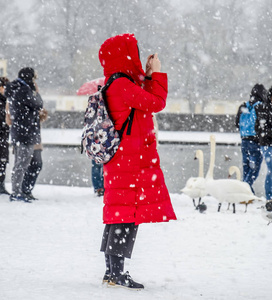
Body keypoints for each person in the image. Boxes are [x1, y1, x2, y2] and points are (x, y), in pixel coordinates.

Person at [98, 33, 177, 289]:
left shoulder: (114, 82)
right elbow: (156, 102)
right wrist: (157, 74)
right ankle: (117, 274)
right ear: (125, 55)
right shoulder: (122, 84)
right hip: (129, 161)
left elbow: (144, 101)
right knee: (125, 216)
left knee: (117, 214)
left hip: (122, 160)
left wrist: (147, 76)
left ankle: (112, 272)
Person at [5, 67, 43, 202]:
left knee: (20, 163)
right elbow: (38, 104)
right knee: (22, 163)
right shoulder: (24, 90)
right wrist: (36, 93)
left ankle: (18, 191)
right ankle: (16, 193)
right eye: (33, 78)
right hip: (26, 132)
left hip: (19, 131)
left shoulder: (15, 88)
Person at [235, 84, 267, 193]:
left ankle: (248, 193)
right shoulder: (260, 106)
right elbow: (263, 125)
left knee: (246, 168)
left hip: (244, 140)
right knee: (254, 169)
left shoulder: (243, 106)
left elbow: (236, 123)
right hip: (256, 141)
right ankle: (243, 189)